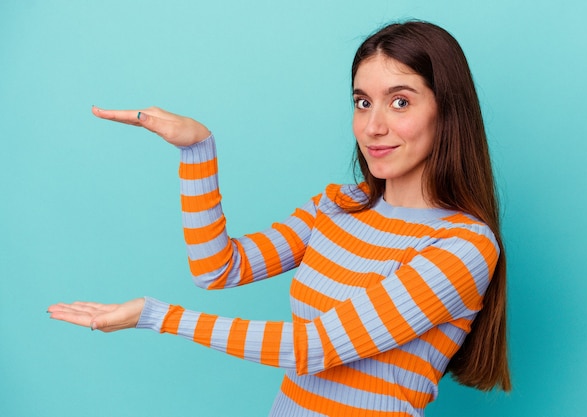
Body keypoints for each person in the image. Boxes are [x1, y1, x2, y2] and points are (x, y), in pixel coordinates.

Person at [48, 20, 511, 416]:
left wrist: (158, 316)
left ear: (446, 110)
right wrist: (197, 152)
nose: (373, 126)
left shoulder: (463, 246)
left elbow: (315, 347)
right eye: (363, 102)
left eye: (401, 101)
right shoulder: (338, 206)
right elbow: (217, 268)